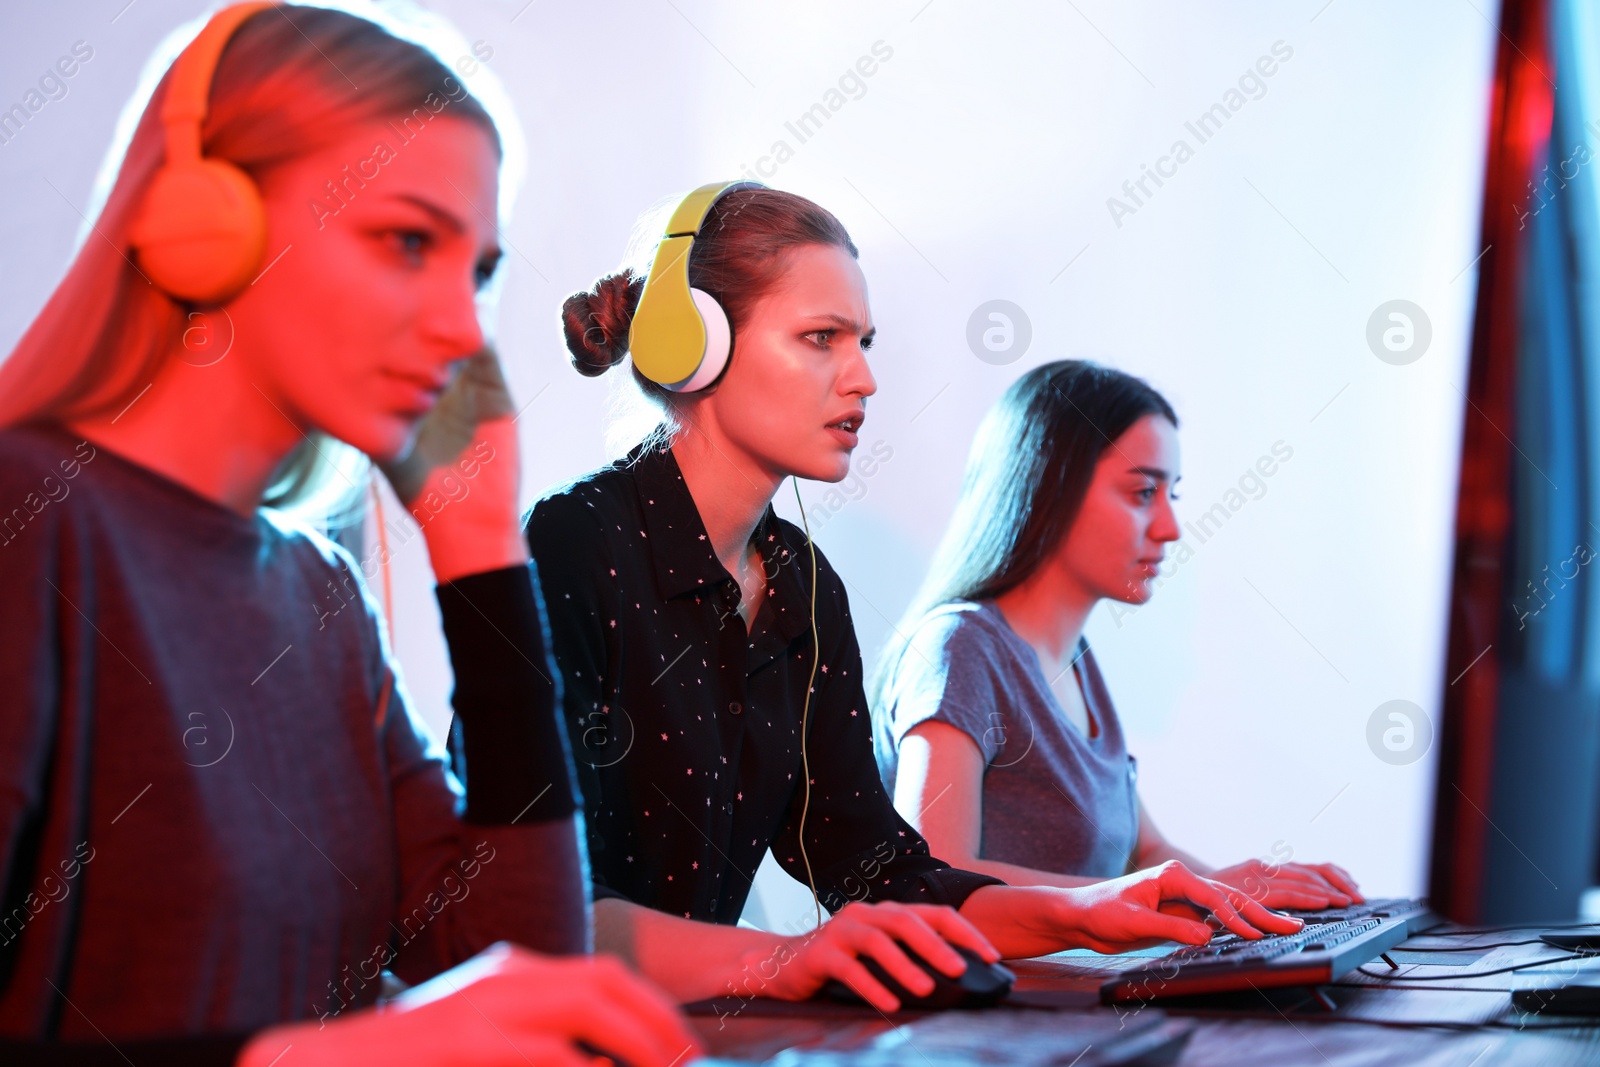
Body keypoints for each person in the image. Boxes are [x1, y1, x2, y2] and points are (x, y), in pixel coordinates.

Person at [0, 5, 698, 1065]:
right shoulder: (33, 523)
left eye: (476, 271)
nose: (468, 330)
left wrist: (480, 555)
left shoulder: (318, 594)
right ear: (205, 222)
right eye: (407, 240)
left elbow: (521, 956)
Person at [530, 183, 1305, 1015]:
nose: (863, 378)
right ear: (697, 347)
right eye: (821, 338)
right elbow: (545, 911)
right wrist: (787, 956)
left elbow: (879, 870)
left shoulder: (802, 582)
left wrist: (1096, 908)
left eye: (861, 341)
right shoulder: (576, 541)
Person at [872, 361, 1362, 911]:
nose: (1171, 528)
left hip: (1084, 992)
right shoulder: (960, 647)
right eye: (1141, 492)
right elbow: (936, 873)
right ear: (1047, 484)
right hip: (1001, 997)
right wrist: (1166, 897)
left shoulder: (1076, 660)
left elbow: (1145, 854)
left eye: (1169, 494)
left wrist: (1250, 897)